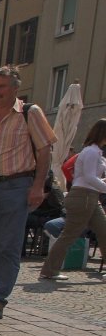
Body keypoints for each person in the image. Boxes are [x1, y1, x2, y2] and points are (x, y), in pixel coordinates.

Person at [0, 65, 57, 320]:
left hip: (16, 186)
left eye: (1, 87)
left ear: (15, 88)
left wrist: (37, 186)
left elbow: (45, 150)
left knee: (8, 246)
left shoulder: (29, 113)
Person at [39, 119, 106, 280]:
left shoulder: (95, 151)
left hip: (89, 196)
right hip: (83, 196)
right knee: (69, 235)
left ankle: (49, 270)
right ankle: (49, 270)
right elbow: (89, 177)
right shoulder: (91, 152)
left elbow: (88, 177)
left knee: (104, 231)